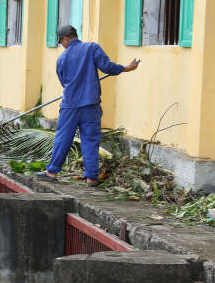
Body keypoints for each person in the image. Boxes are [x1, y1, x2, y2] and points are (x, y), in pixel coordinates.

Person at [35, 25, 139, 187]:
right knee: (90, 140)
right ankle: (91, 177)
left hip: (70, 105)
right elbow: (107, 67)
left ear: (65, 39)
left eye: (61, 42)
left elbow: (64, 82)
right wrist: (126, 68)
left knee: (63, 138)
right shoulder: (92, 48)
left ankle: (52, 172)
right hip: (91, 104)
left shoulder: (61, 59)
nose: (62, 45)